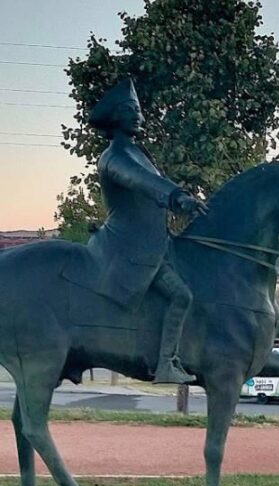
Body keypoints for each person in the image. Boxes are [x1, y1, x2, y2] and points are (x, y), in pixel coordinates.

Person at [84, 78, 206, 384]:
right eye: (131, 109)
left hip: (151, 246)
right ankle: (165, 363)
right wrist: (177, 197)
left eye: (138, 110)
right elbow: (141, 181)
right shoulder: (115, 157)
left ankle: (170, 360)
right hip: (129, 249)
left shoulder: (136, 152)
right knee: (180, 296)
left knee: (185, 292)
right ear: (116, 117)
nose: (138, 115)